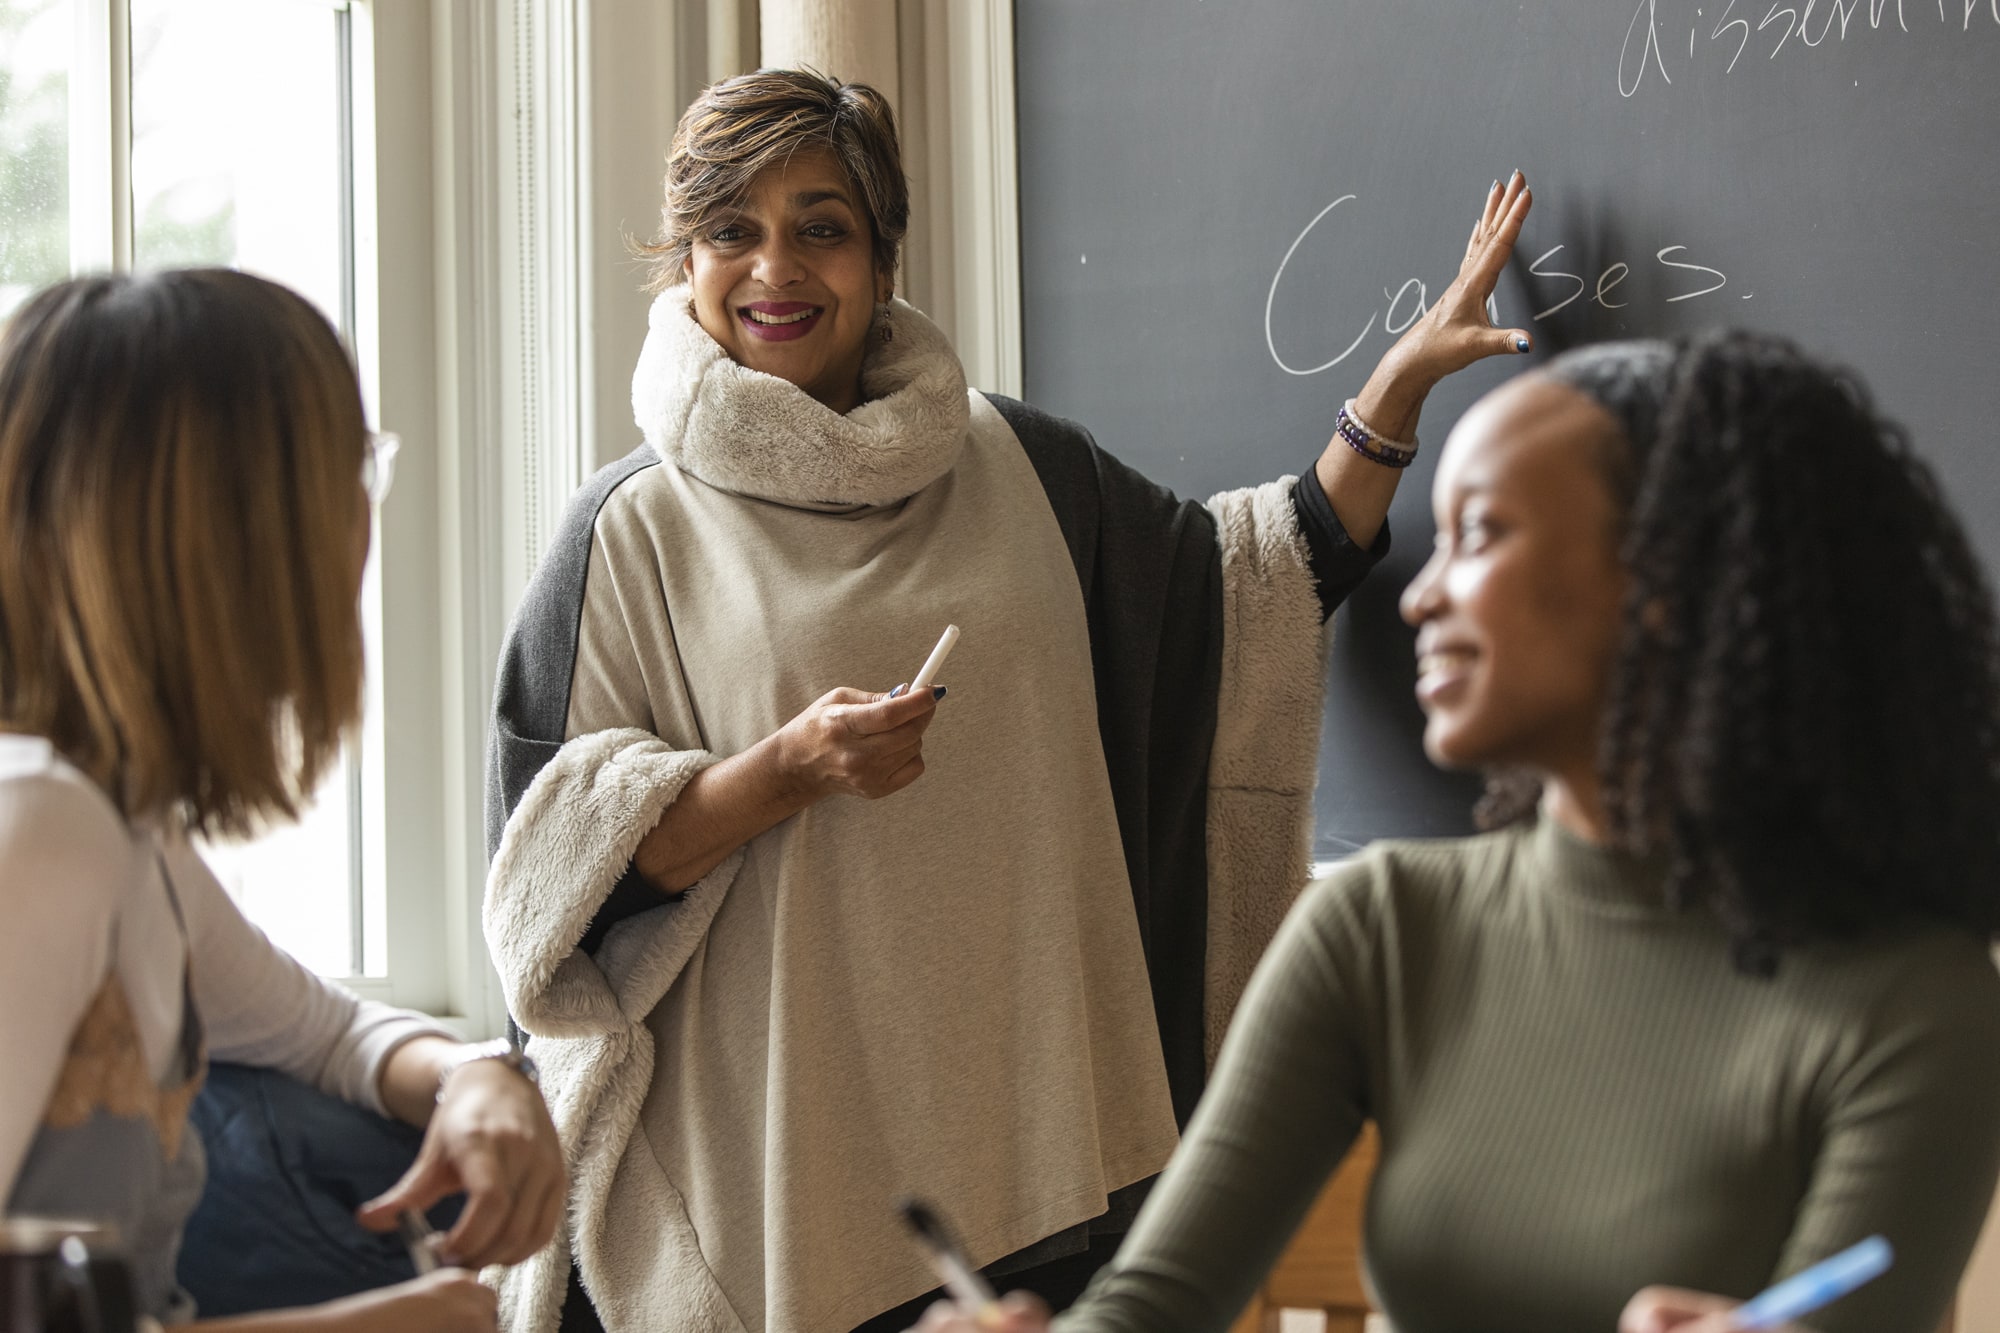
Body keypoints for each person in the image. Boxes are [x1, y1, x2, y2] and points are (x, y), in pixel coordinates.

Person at [482, 69, 1538, 1333]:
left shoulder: (1026, 467)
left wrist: (1393, 397)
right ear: (684, 260)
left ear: (882, 258)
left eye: (821, 226)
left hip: (1030, 1165)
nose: (777, 268)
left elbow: (1247, 591)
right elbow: (556, 888)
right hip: (770, 1187)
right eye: (732, 230)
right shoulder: (626, 533)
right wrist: (787, 769)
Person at [911, 330, 2000, 1333]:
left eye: (1479, 534)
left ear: (1664, 581)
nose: (1419, 597)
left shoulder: (1913, 1002)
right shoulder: (1381, 926)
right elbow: (1151, 1308)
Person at [0, 270, 567, 1331]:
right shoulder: (40, 833)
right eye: (350, 468)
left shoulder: (122, 824)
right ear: (232, 535)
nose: (363, 517)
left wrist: (473, 1076)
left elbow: (322, 1033)